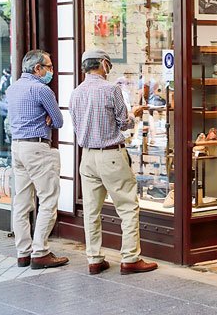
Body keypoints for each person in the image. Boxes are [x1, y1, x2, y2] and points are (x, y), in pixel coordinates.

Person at [69, 49, 157, 275]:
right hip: (111, 155)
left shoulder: (76, 92)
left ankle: (95, 259)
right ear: (102, 63)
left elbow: (77, 126)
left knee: (91, 210)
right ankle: (130, 258)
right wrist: (134, 114)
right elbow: (124, 124)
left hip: (87, 156)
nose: (109, 67)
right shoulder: (111, 90)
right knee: (127, 207)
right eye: (108, 63)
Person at [5, 49, 68, 269]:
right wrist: (48, 116)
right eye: (49, 67)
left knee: (21, 203)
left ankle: (23, 252)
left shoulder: (12, 89)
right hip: (38, 147)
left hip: (17, 147)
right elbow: (59, 121)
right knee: (48, 199)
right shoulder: (41, 89)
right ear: (37, 68)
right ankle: (40, 252)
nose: (52, 71)